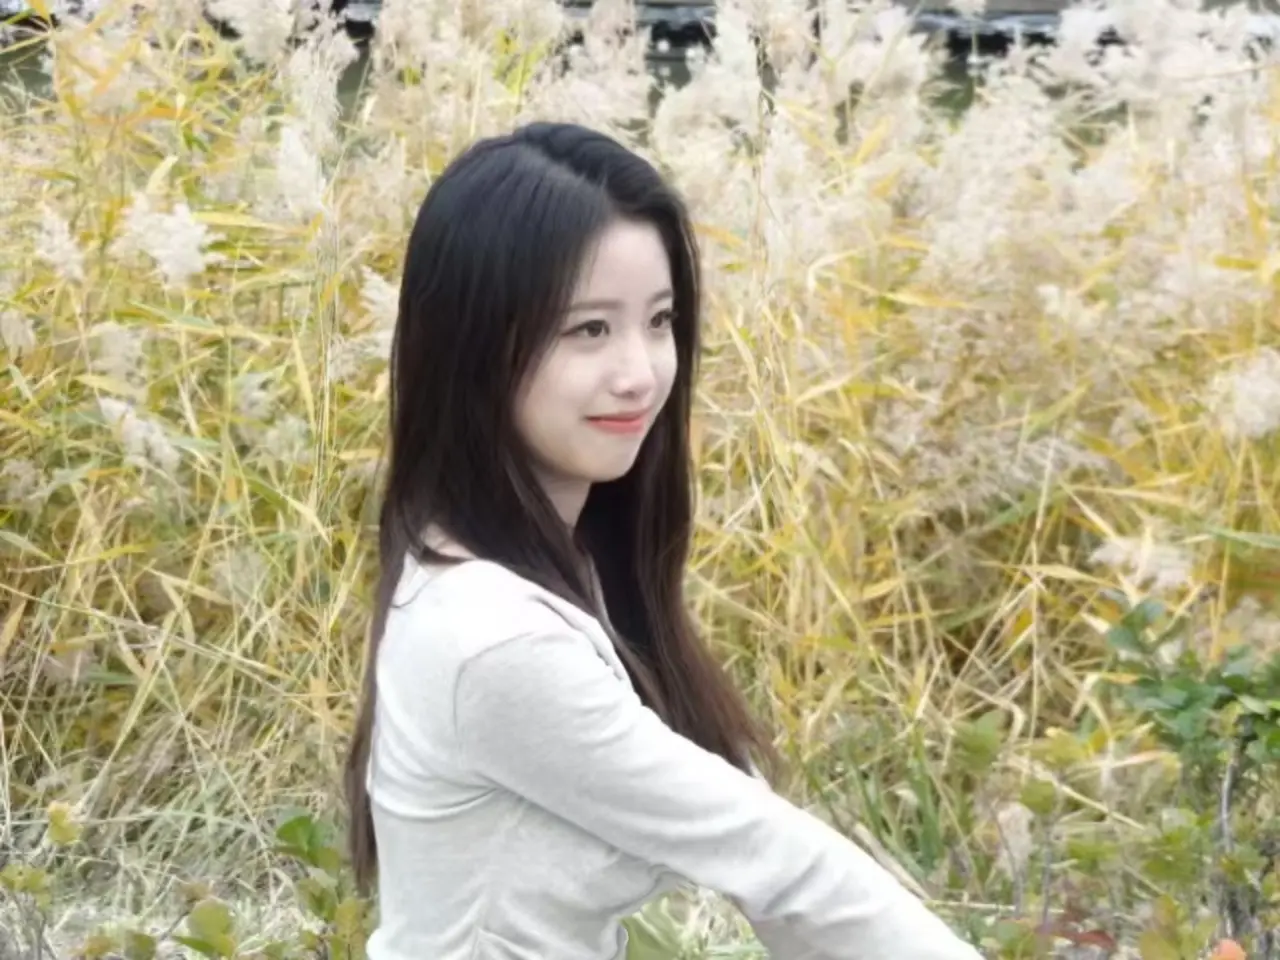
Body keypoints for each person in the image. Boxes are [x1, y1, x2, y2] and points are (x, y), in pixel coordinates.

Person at [342, 121, 983, 960]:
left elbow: (771, 862)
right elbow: (778, 862)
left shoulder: (519, 566)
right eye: (588, 330)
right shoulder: (496, 641)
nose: (640, 373)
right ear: (473, 346)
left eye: (659, 320)